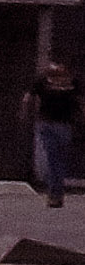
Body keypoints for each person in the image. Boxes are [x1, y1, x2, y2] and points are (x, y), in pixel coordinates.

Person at [27, 40, 78, 212]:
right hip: (63, 124)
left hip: (47, 123)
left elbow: (29, 98)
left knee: (53, 160)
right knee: (59, 161)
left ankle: (54, 195)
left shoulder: (43, 79)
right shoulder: (72, 81)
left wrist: (27, 115)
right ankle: (57, 194)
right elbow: (81, 102)